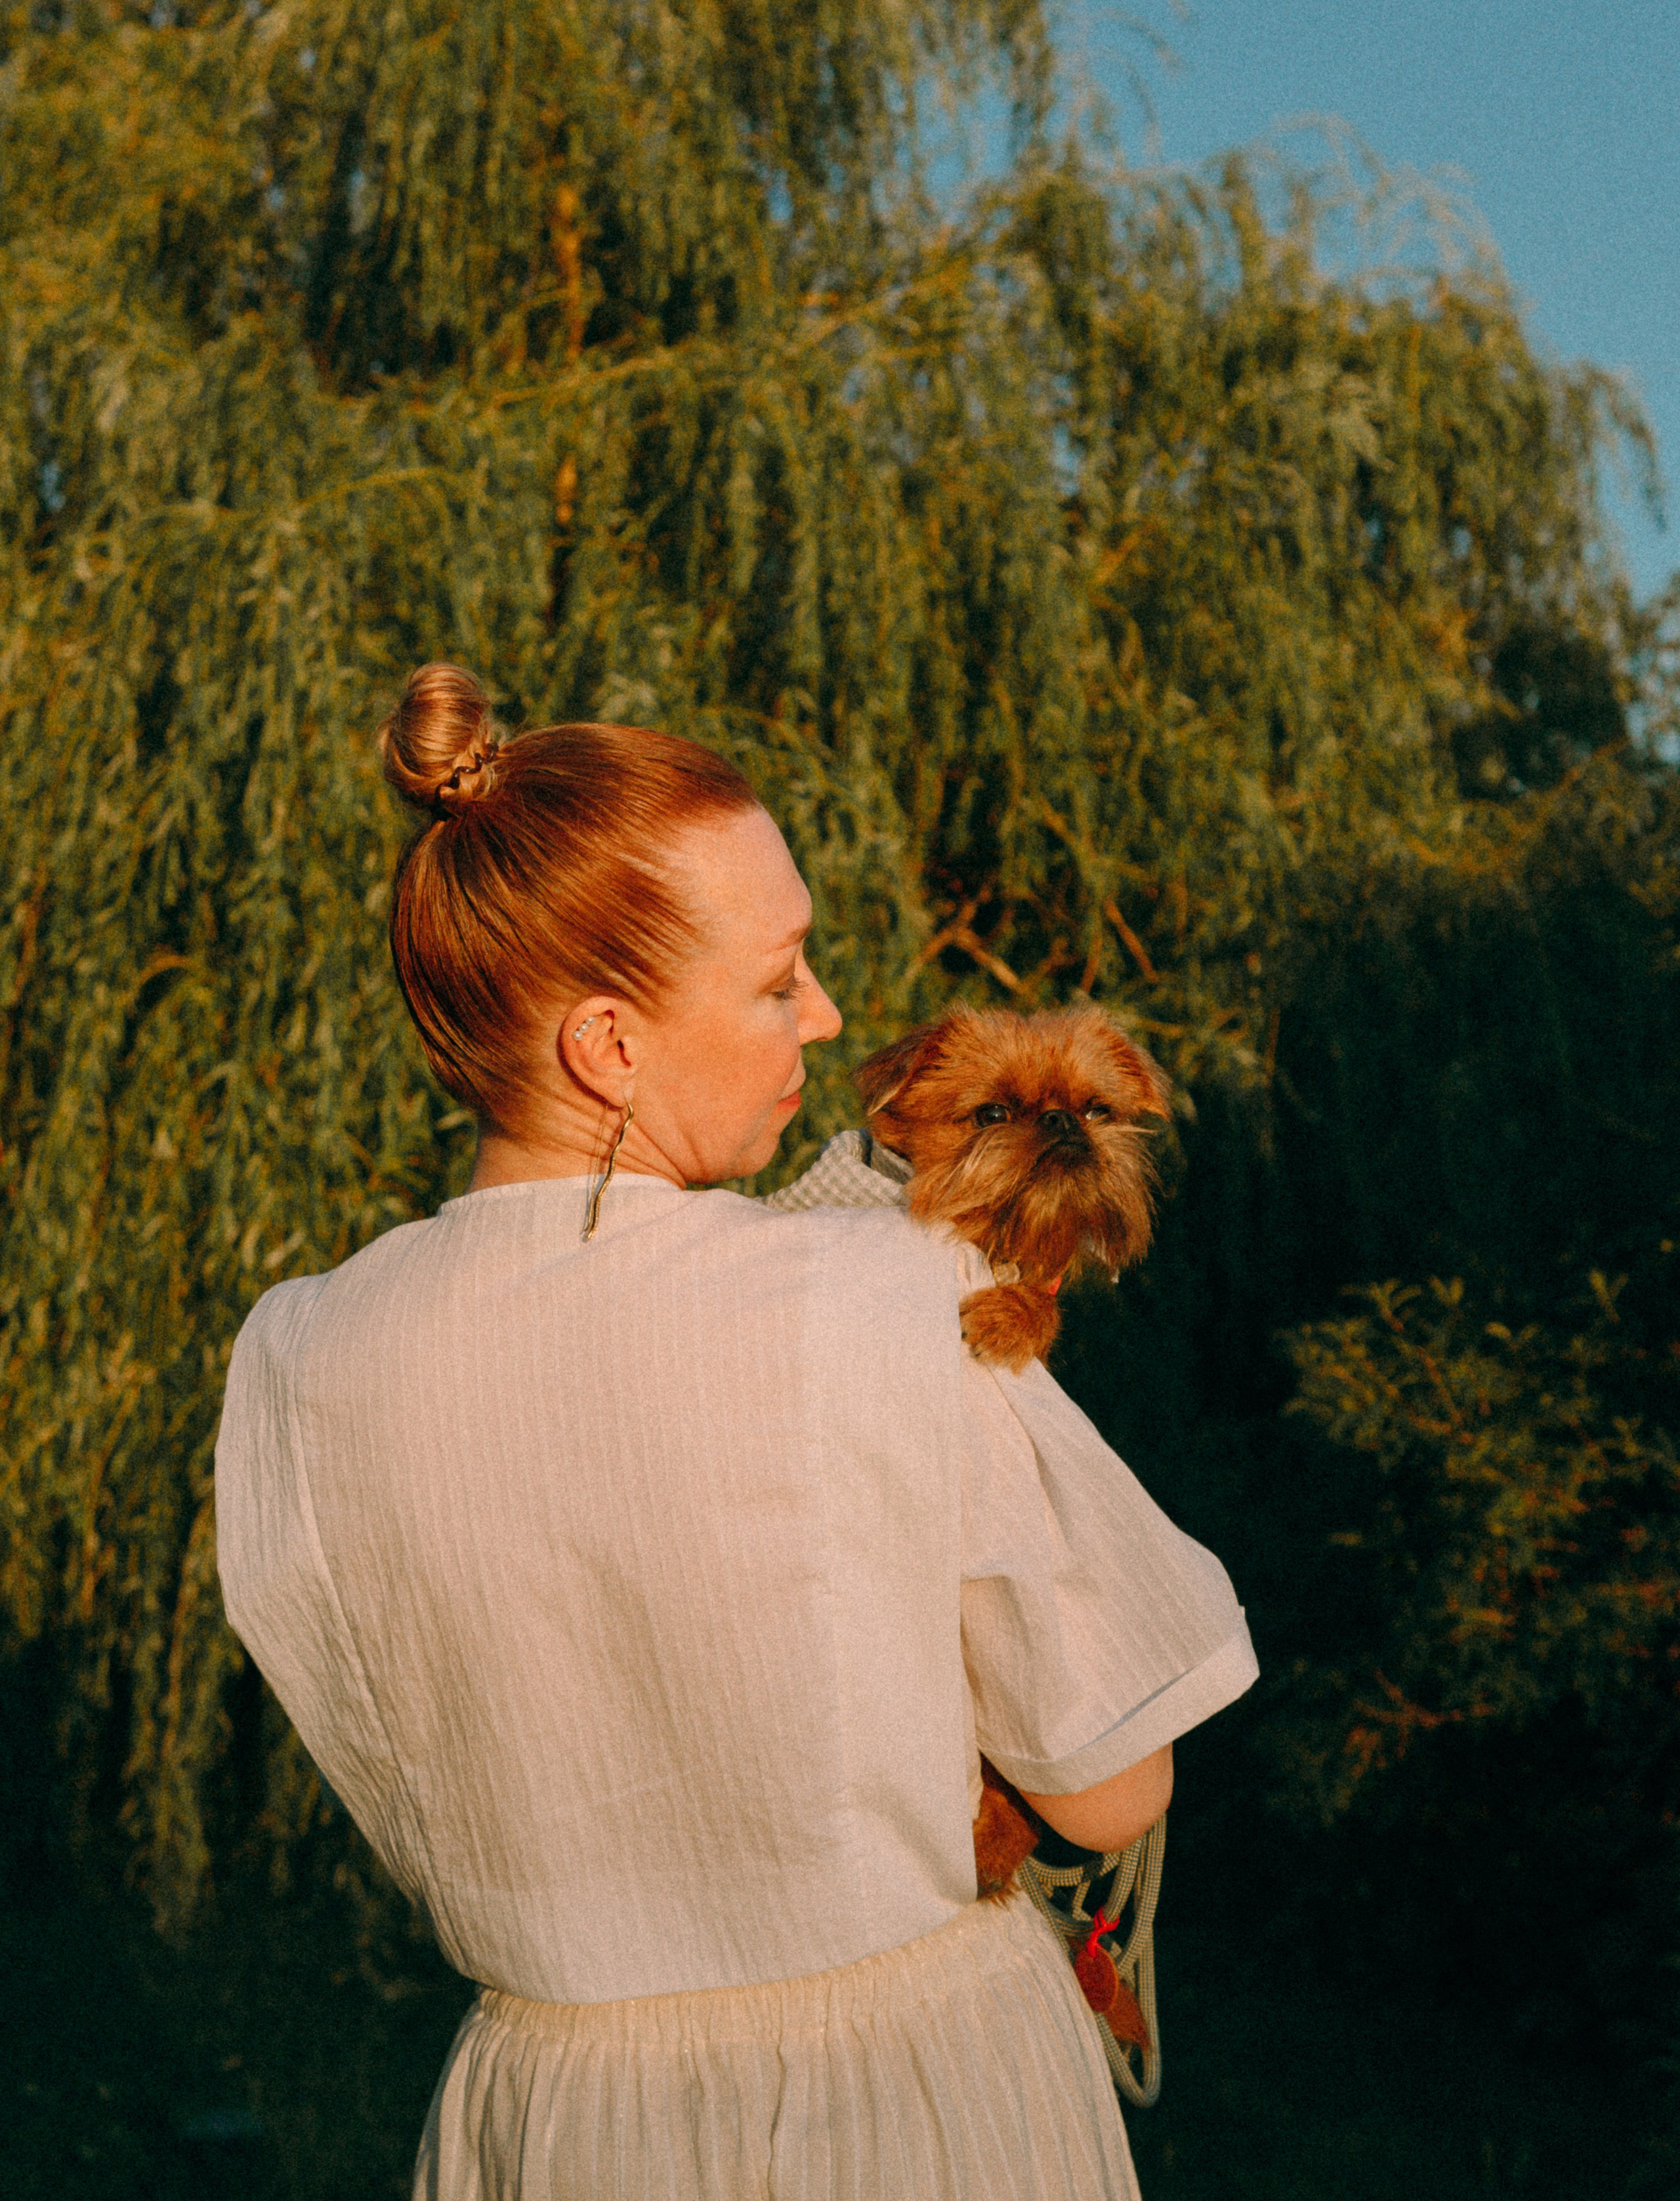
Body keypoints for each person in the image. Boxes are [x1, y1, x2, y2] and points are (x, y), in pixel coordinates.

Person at [215, 664, 1258, 2201]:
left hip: (551, 2122)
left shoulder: (299, 1360)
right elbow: (1113, 1784)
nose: (827, 1019)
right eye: (780, 982)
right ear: (608, 1046)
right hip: (912, 2112)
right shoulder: (891, 1291)